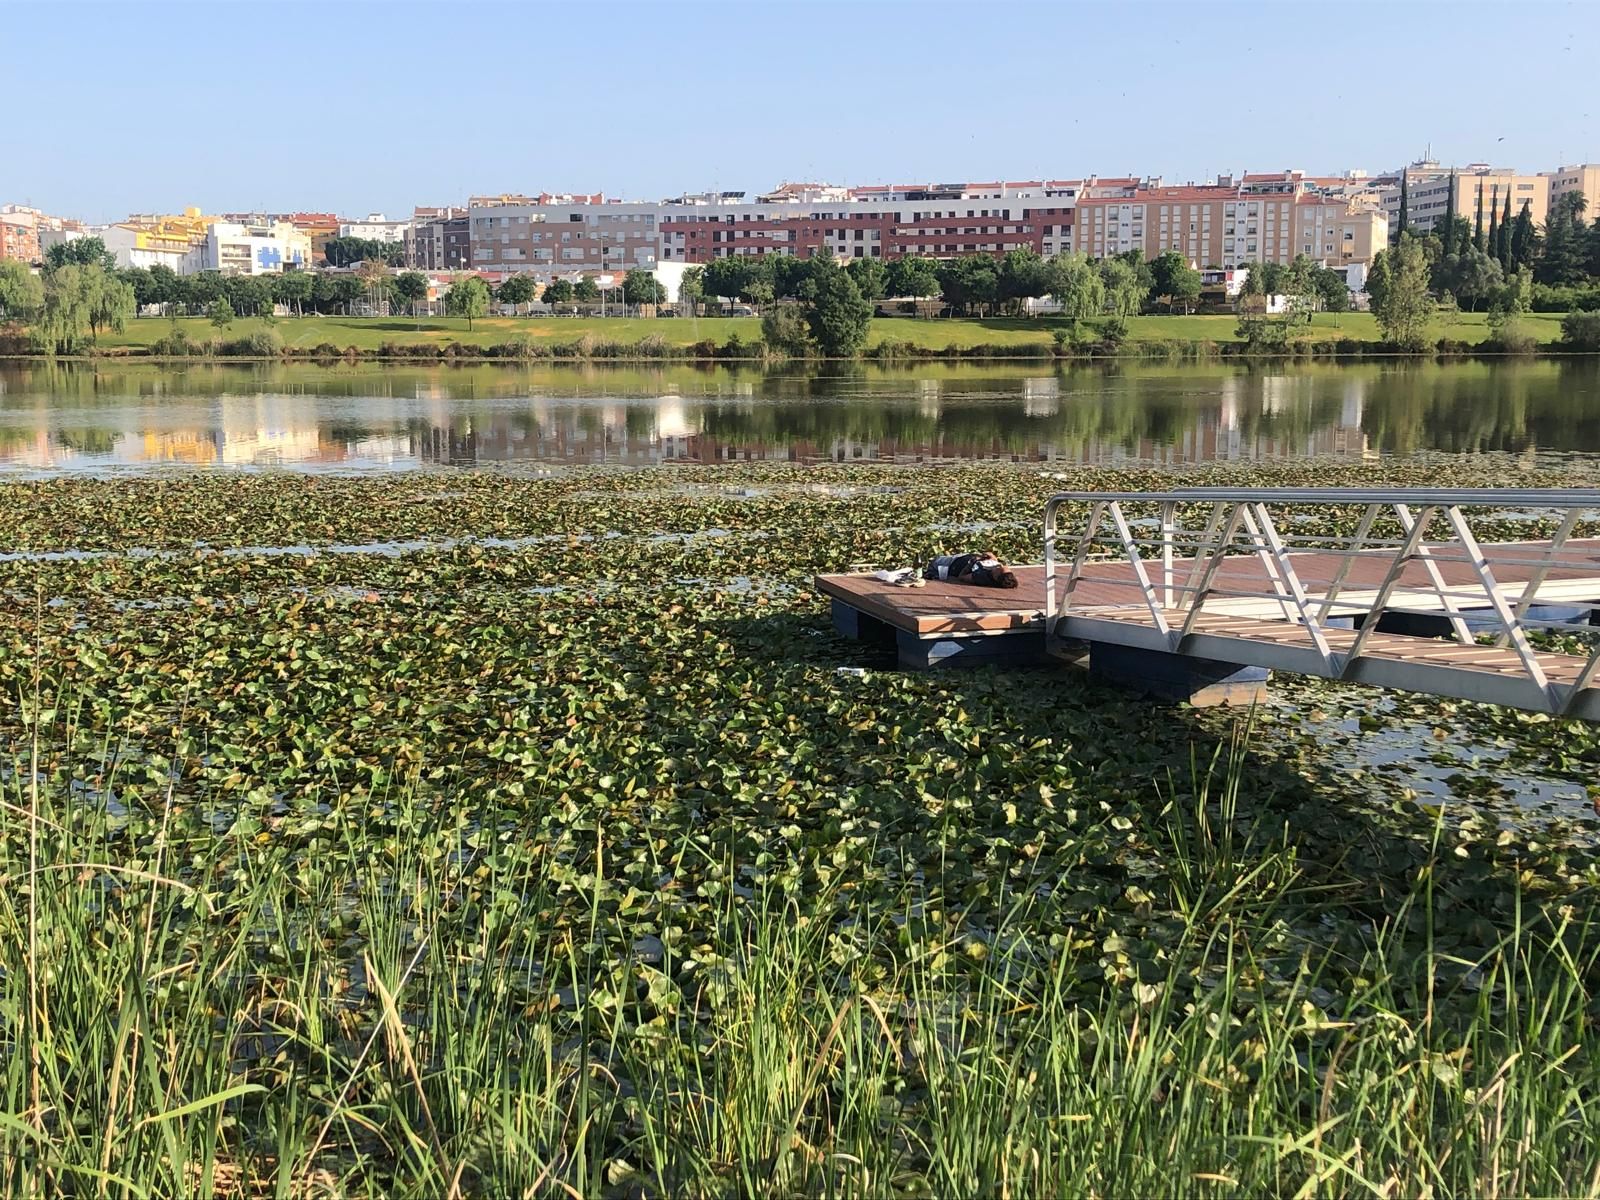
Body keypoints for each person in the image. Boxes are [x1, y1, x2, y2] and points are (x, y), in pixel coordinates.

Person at [924, 551, 1018, 589]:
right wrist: (992, 557)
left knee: (935, 561)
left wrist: (971, 563)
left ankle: (932, 573)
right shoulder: (998, 570)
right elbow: (996, 563)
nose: (1000, 566)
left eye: (1000, 568)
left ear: (997, 576)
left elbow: (962, 576)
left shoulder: (980, 577)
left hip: (954, 564)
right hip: (965, 557)